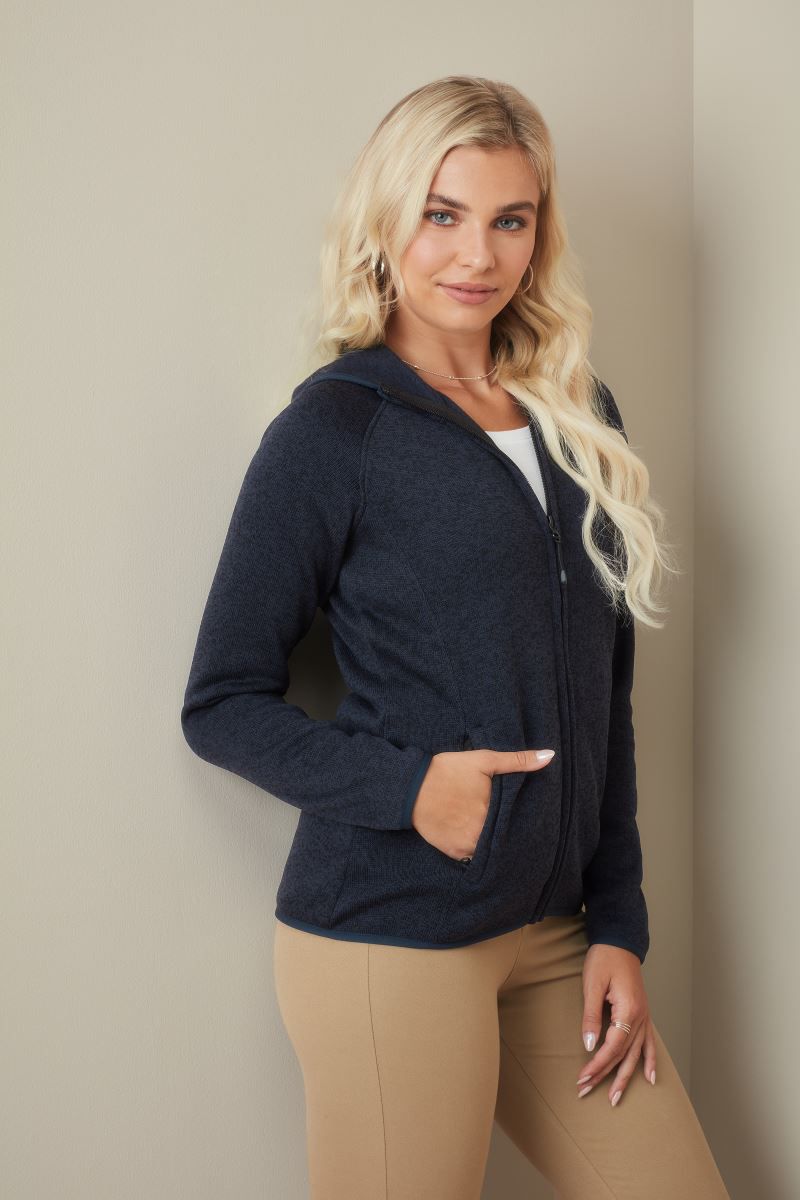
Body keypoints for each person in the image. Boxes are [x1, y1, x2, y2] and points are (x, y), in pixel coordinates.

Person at [181, 75, 730, 1199]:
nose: (476, 255)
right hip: (392, 936)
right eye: (442, 214)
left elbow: (604, 694)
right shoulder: (335, 429)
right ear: (387, 219)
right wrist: (411, 790)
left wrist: (620, 923)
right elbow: (220, 702)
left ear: (538, 233)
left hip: (558, 940)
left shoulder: (579, 415)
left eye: (508, 219)